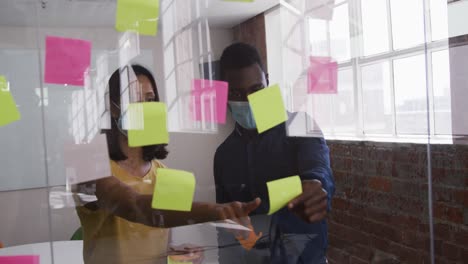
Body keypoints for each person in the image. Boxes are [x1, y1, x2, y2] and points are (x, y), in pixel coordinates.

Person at [73, 64, 261, 264]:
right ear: (113, 106)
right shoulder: (85, 162)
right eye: (132, 98)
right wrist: (216, 211)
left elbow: (160, 239)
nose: (143, 106)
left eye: (149, 99)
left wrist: (175, 253)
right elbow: (134, 207)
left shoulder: (165, 174)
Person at [214, 43, 335, 263]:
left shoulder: (300, 126)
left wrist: (316, 185)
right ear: (224, 94)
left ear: (267, 82)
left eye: (256, 89)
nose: (248, 100)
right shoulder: (223, 156)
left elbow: (319, 171)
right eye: (236, 93)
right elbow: (227, 223)